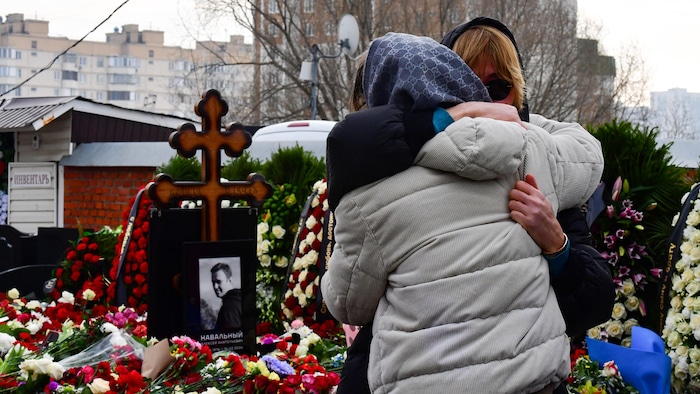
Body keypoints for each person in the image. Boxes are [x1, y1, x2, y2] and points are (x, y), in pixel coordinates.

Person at [328, 17, 615, 394]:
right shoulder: (387, 171)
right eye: (474, 86)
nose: (486, 102)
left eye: (499, 87)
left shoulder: (535, 167)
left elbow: (595, 303)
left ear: (519, 89)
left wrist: (556, 245)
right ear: (447, 83)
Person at [210, 262, 242, 330]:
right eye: (213, 282)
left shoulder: (229, 306)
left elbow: (232, 337)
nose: (215, 287)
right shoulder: (239, 299)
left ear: (229, 280)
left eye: (219, 282)